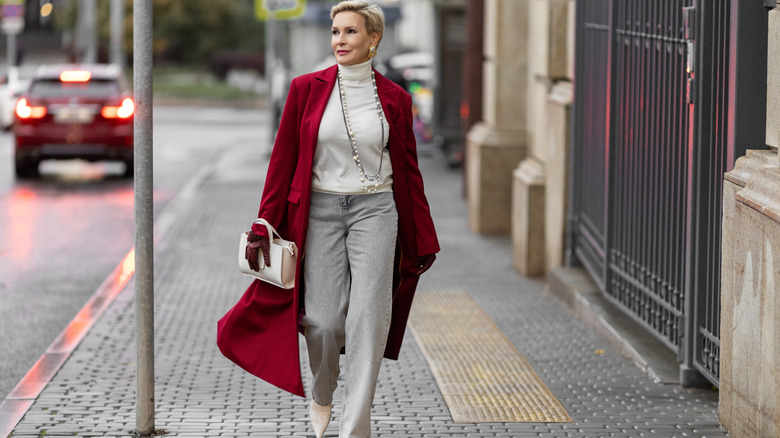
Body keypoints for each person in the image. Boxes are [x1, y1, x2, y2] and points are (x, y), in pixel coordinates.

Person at [216, 2, 440, 437]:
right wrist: (264, 221)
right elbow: (282, 163)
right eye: (335, 32)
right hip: (318, 211)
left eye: (350, 32)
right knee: (322, 322)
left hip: (376, 210)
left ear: (373, 38)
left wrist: (424, 237)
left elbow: (409, 172)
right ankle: (323, 392)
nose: (339, 40)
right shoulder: (306, 89)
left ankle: (354, 429)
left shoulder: (395, 99)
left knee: (368, 322)